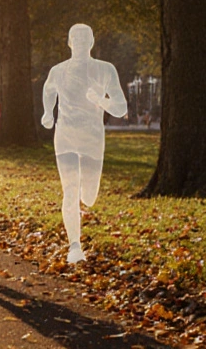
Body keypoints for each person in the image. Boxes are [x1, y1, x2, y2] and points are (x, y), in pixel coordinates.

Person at [40, 24, 127, 264]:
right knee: (70, 189)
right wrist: (48, 113)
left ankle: (87, 194)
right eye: (74, 38)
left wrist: (99, 99)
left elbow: (121, 108)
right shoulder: (59, 71)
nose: (79, 41)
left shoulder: (105, 70)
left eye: (84, 37)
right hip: (66, 135)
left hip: (92, 138)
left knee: (88, 194)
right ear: (68, 42)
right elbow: (48, 90)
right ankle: (75, 246)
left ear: (92, 42)